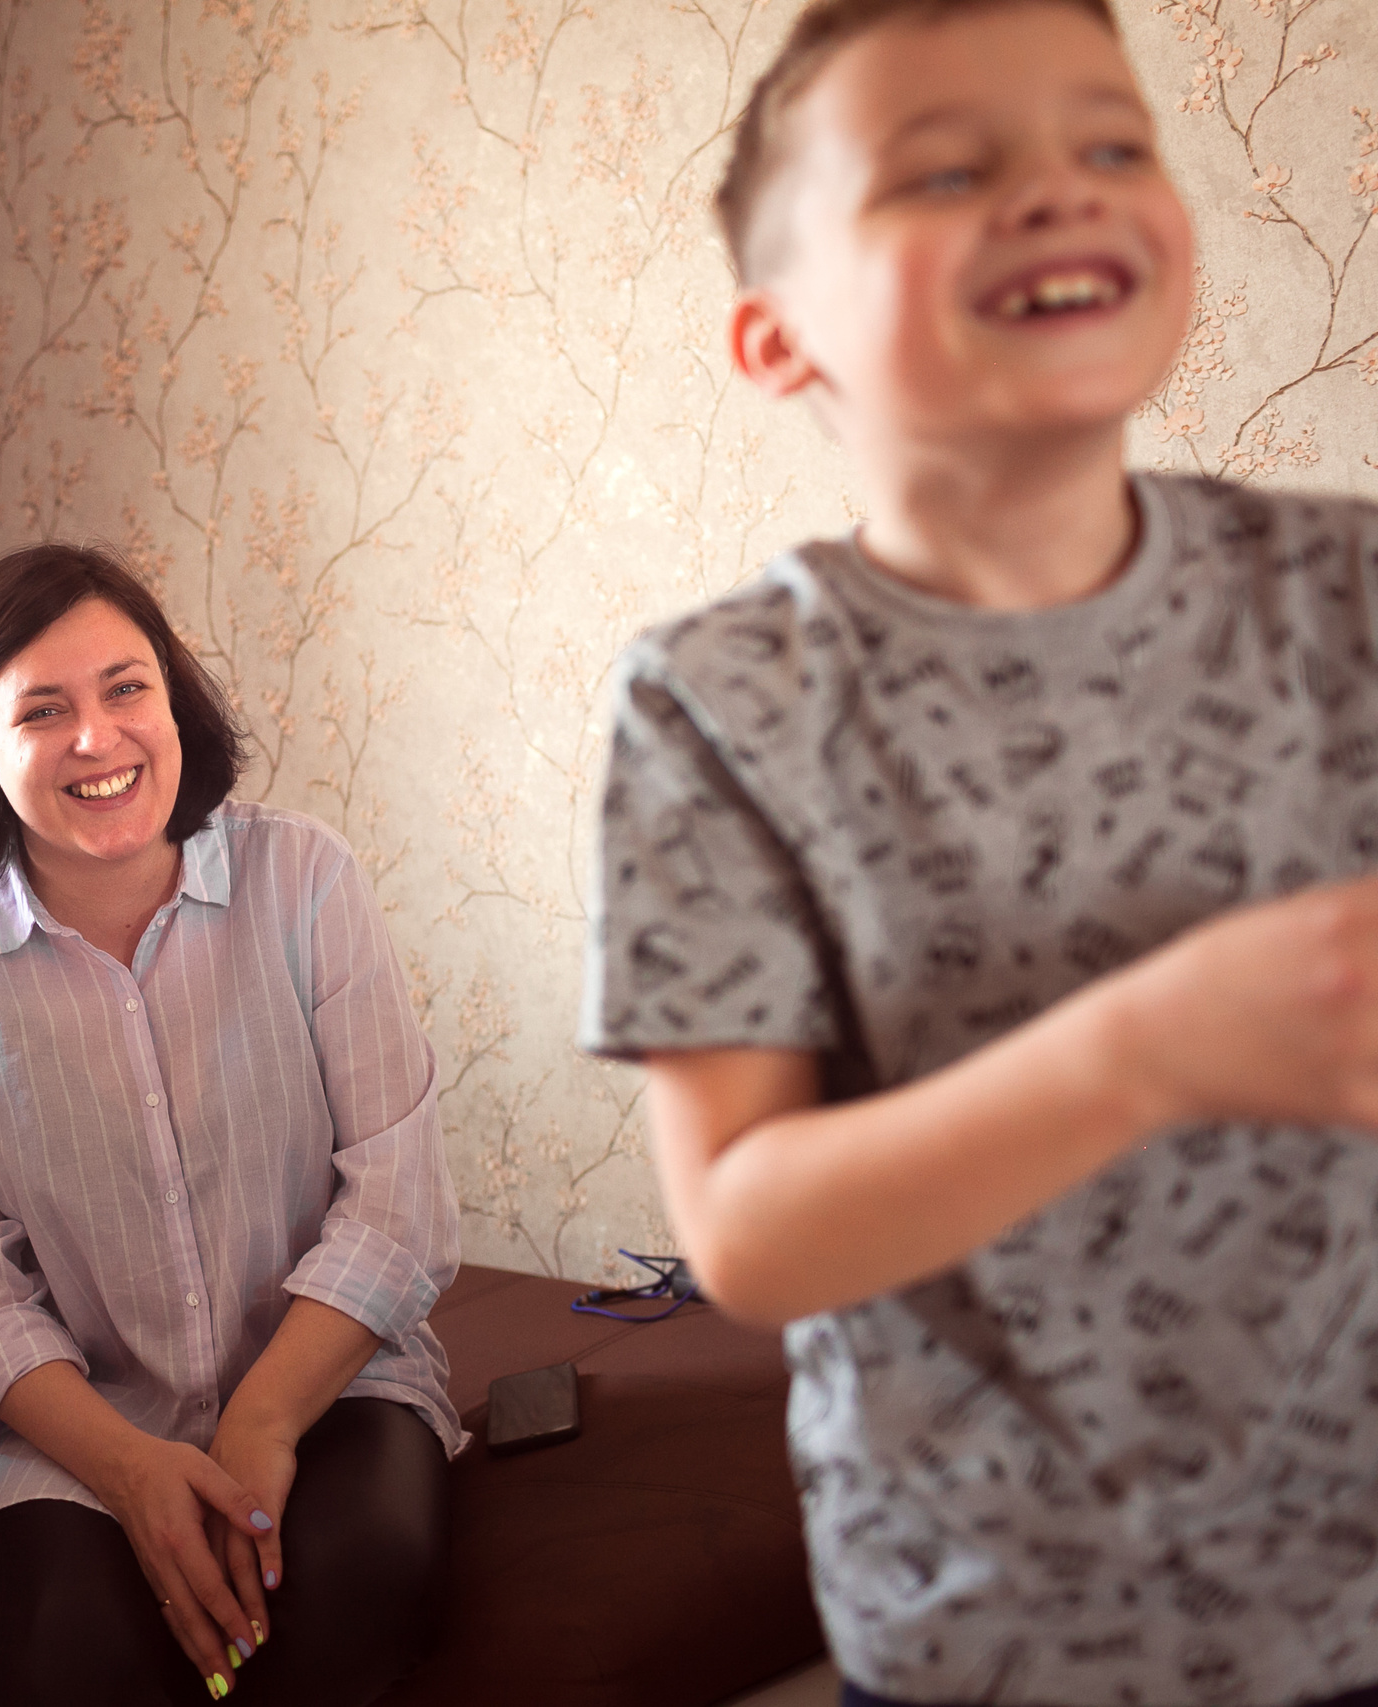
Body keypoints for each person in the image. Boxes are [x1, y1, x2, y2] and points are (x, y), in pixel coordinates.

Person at [582, 3, 1378, 1704]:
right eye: (945, 170)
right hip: (988, 1627)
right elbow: (746, 1229)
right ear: (778, 336)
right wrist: (1150, 1050)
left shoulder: (1348, 597)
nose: (1058, 190)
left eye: (1112, 143)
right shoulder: (717, 699)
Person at [0, 545, 463, 1706]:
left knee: (354, 1577)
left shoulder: (306, 878)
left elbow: (398, 1205)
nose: (98, 738)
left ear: (173, 699)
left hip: (330, 1382)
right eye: (43, 711)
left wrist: (262, 1423)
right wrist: (134, 1473)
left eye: (125, 688)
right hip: (76, 1428)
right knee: (69, 1654)